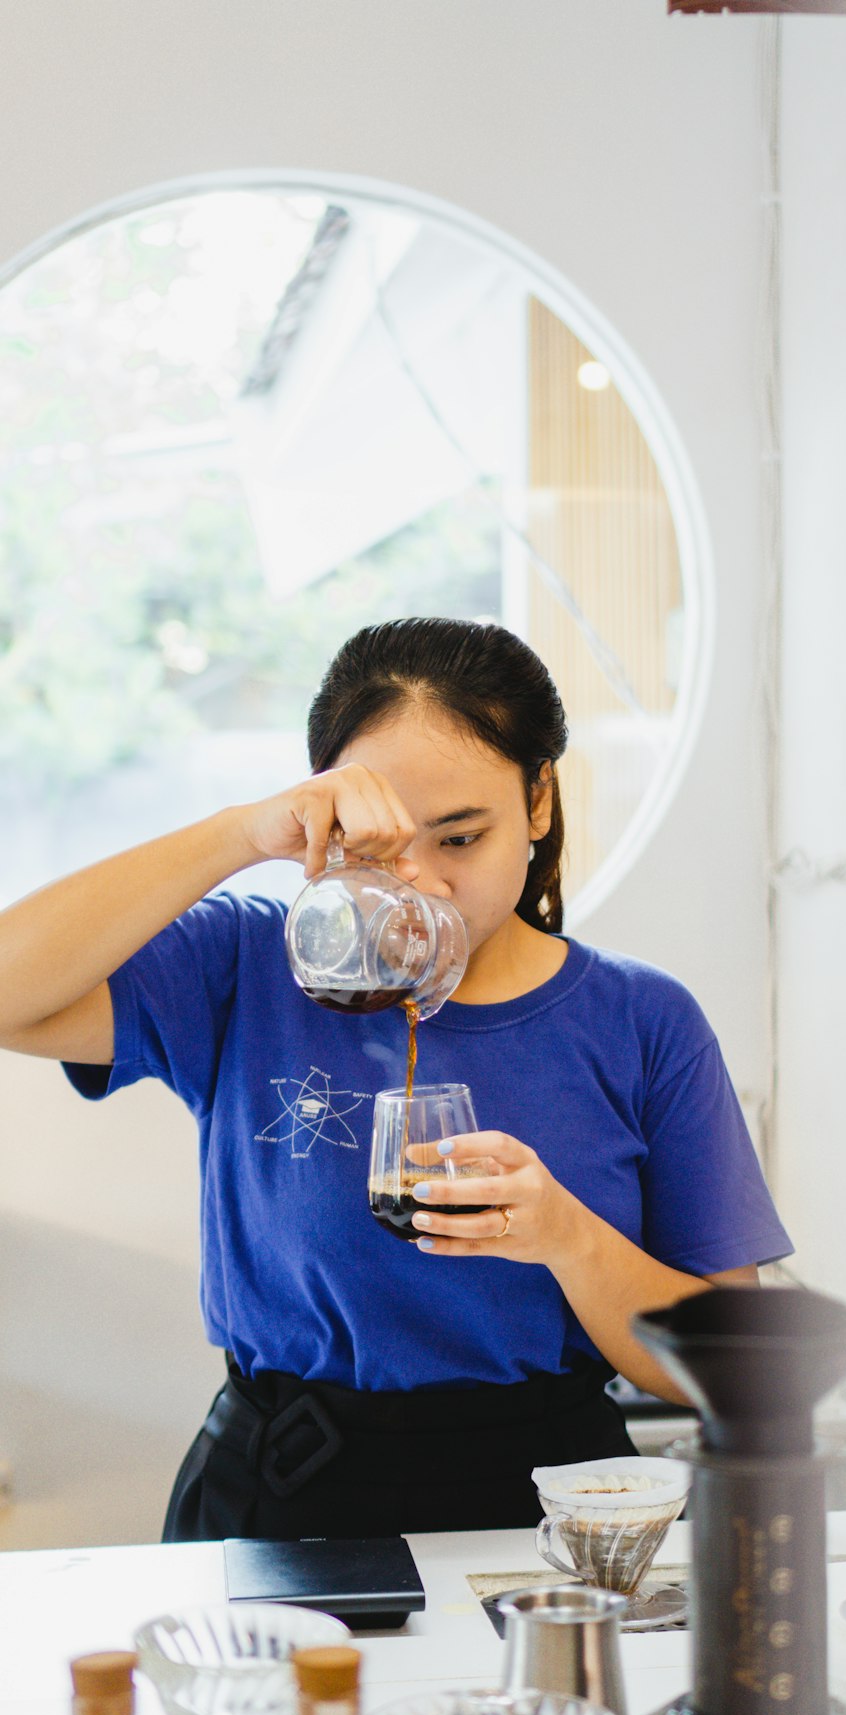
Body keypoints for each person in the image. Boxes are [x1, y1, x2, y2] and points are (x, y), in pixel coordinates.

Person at [0, 617, 791, 1540]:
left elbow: (735, 1367)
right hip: (286, 1490)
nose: (421, 885)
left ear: (539, 802)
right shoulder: (248, 965)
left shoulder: (643, 1022)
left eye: (459, 840)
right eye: (377, 848)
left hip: (556, 1505)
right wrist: (239, 833)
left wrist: (566, 1236)